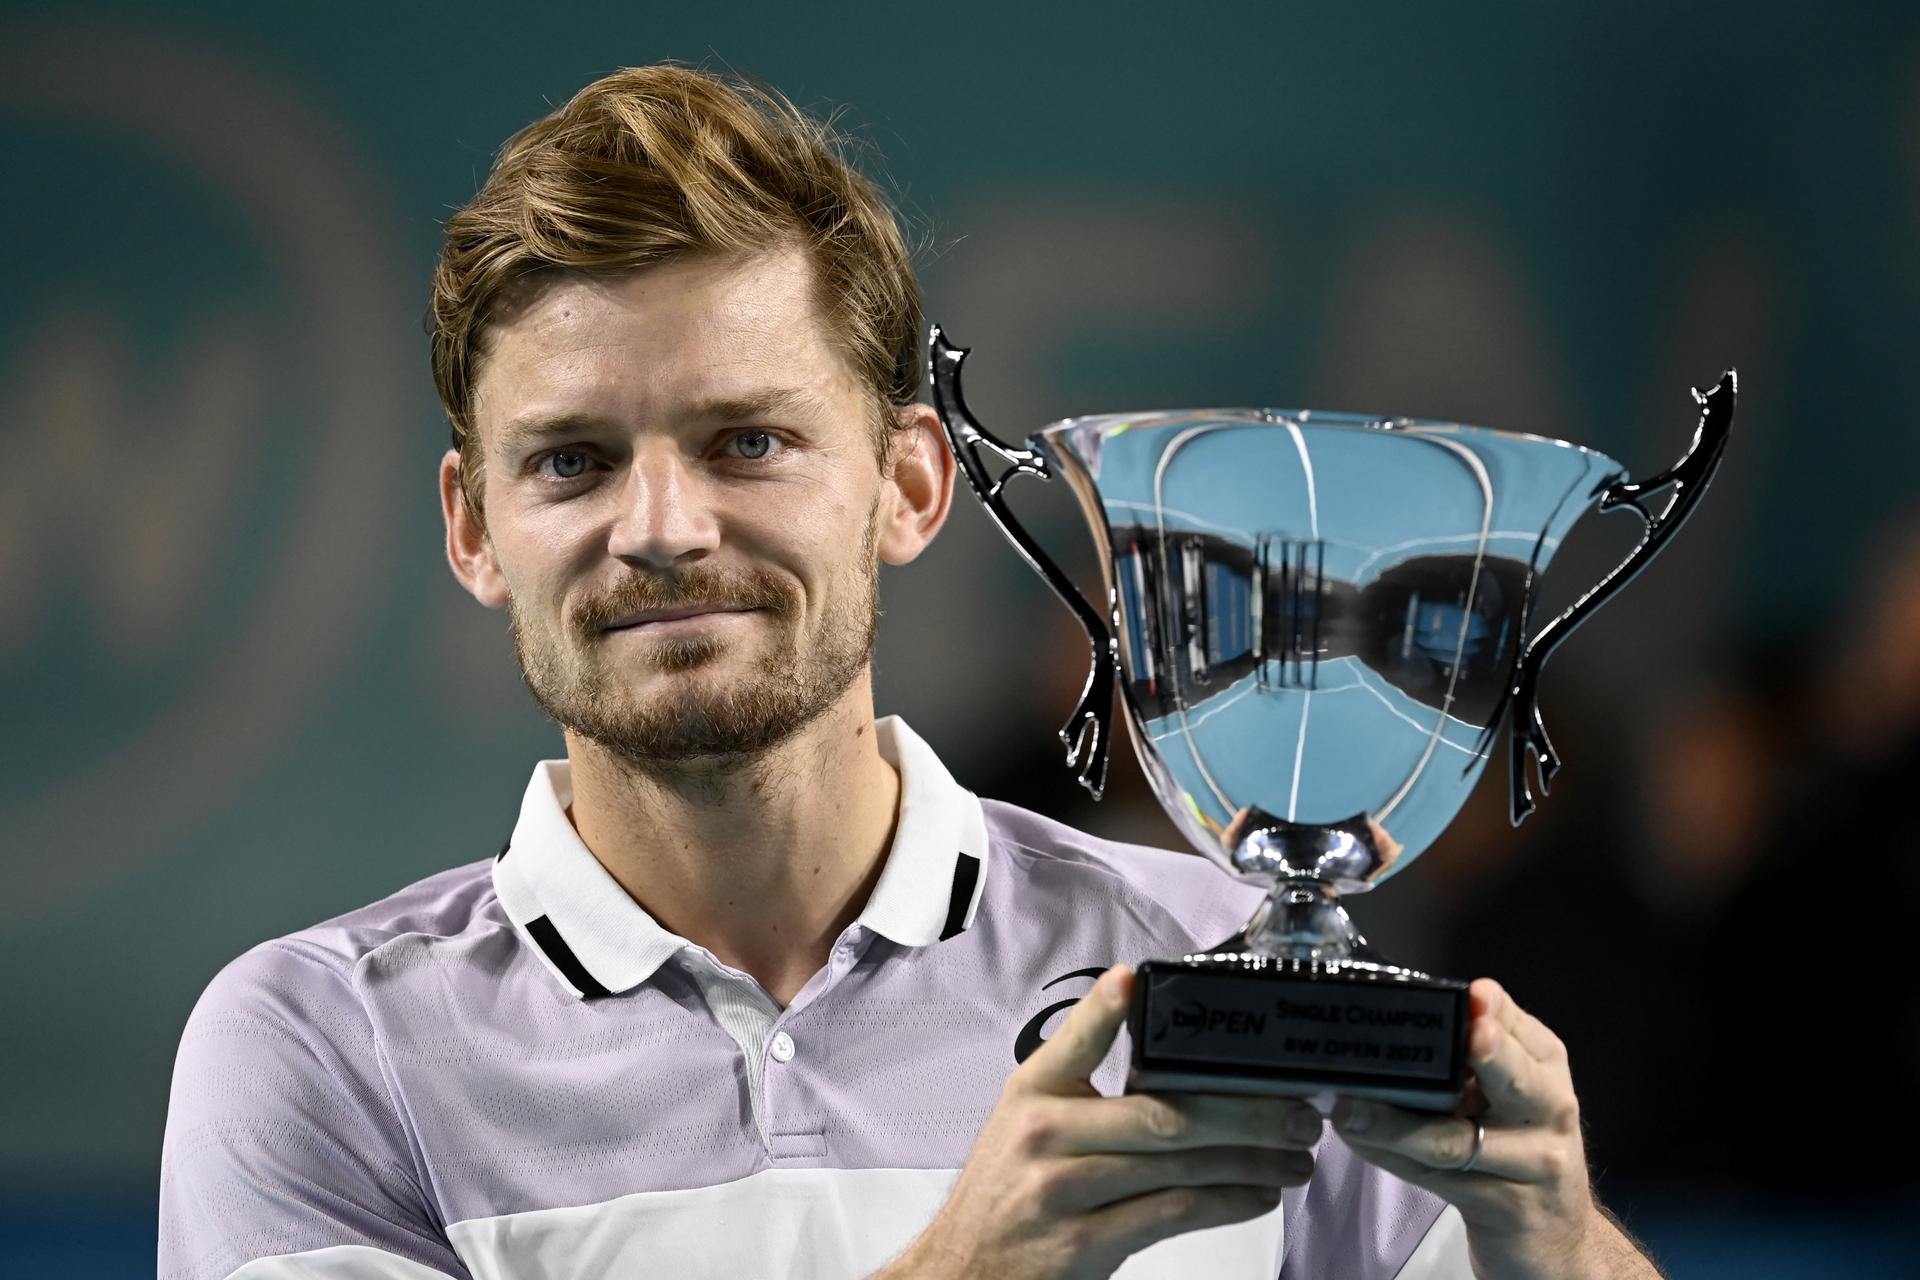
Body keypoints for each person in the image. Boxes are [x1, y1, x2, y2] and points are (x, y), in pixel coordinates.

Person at [158, 65, 1664, 1280]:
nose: (665, 528)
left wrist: (1552, 1247)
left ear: (911, 486)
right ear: (475, 528)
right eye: (573, 462)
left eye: (748, 441)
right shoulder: (317, 1043)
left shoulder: (1212, 963)